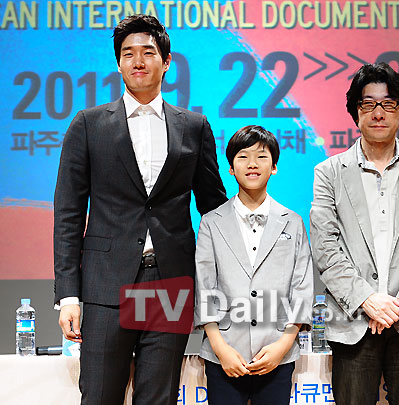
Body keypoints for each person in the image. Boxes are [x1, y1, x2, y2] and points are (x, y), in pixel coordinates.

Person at [53, 14, 226, 404]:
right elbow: (68, 214)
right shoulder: (88, 124)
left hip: (169, 281)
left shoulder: (193, 126)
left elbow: (213, 208)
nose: (138, 61)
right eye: (128, 53)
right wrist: (68, 295)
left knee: (158, 398)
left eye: (148, 52)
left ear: (166, 62)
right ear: (118, 64)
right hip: (106, 282)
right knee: (99, 396)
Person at [310, 63, 399, 404]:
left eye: (388, 104)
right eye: (368, 104)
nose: (378, 113)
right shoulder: (328, 172)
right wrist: (368, 300)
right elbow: (326, 247)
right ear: (355, 113)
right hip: (353, 323)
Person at [194, 125, 314, 405]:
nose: (252, 164)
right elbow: (205, 286)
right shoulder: (211, 222)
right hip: (224, 355)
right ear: (231, 168)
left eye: (261, 157)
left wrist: (283, 345)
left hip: (277, 354)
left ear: (274, 167)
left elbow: (302, 288)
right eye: (243, 157)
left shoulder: (293, 222)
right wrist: (221, 349)